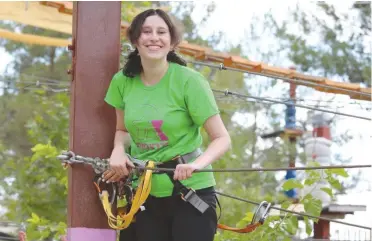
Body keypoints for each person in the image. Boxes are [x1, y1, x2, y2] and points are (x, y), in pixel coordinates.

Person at [103, 8, 231, 241]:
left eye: (161, 32)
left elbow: (222, 138)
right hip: (144, 192)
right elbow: (122, 130)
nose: (154, 37)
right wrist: (118, 150)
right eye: (147, 32)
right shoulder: (122, 82)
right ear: (135, 40)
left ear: (171, 41)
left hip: (190, 190)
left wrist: (196, 165)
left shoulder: (189, 81)